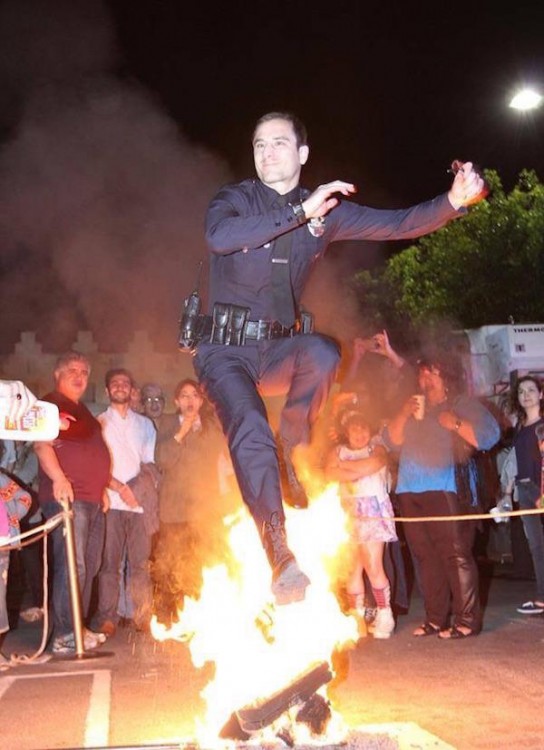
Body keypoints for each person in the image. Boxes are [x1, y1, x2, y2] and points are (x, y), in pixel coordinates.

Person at [193, 111, 487, 605]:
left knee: (324, 351)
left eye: (279, 143)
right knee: (247, 424)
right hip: (224, 351)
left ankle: (291, 444)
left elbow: (396, 224)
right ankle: (279, 554)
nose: (267, 153)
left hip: (276, 349)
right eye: (259, 144)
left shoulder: (327, 212)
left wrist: (452, 203)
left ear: (302, 154)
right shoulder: (236, 199)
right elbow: (219, 237)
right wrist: (300, 212)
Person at [384, 352, 500, 639]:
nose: (425, 380)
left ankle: (466, 621)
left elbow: (490, 435)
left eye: (431, 373)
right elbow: (391, 441)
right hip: (410, 489)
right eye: (422, 374)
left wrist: (457, 424)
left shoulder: (460, 404)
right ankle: (435, 619)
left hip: (446, 487)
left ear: (445, 377)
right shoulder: (414, 408)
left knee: (455, 554)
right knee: (424, 557)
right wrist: (402, 413)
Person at [34, 352, 111, 655]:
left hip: (92, 499)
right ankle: (65, 633)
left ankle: (77, 628)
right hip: (68, 498)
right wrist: (58, 478)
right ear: (57, 374)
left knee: (88, 566)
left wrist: (102, 487)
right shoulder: (49, 404)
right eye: (72, 371)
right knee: (71, 564)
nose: (79, 376)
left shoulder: (85, 413)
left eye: (84, 371)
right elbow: (41, 444)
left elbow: (93, 453)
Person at [153, 378, 232, 625]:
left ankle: (204, 615)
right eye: (184, 396)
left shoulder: (212, 426)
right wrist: (181, 432)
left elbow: (223, 453)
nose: (190, 400)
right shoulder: (166, 424)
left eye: (195, 395)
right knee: (170, 563)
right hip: (174, 508)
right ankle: (169, 617)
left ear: (201, 401)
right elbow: (161, 460)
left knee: (206, 560)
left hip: (205, 508)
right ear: (176, 401)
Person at [94, 369, 157, 637]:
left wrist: (134, 490)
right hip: (112, 504)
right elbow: (95, 465)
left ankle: (141, 615)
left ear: (132, 390)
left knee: (140, 564)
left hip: (139, 504)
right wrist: (120, 487)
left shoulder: (145, 425)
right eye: (115, 383)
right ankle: (108, 616)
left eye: (125, 383)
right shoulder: (98, 424)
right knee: (110, 565)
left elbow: (150, 465)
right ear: (107, 391)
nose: (120, 387)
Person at [325, 410, 397, 639]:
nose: (360, 433)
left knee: (372, 565)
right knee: (351, 567)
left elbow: (372, 465)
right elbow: (329, 474)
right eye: (354, 428)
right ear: (346, 431)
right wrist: (353, 470)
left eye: (364, 427)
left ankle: (385, 616)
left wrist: (345, 470)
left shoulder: (376, 448)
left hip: (372, 511)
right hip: (346, 512)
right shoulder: (337, 451)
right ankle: (357, 618)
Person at [504, 376, 544, 615]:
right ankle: (542, 598)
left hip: (539, 490)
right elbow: (514, 463)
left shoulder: (542, 426)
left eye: (531, 390)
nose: (526, 394)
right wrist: (507, 494)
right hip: (525, 490)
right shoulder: (520, 429)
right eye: (521, 391)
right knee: (537, 546)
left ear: (540, 395)